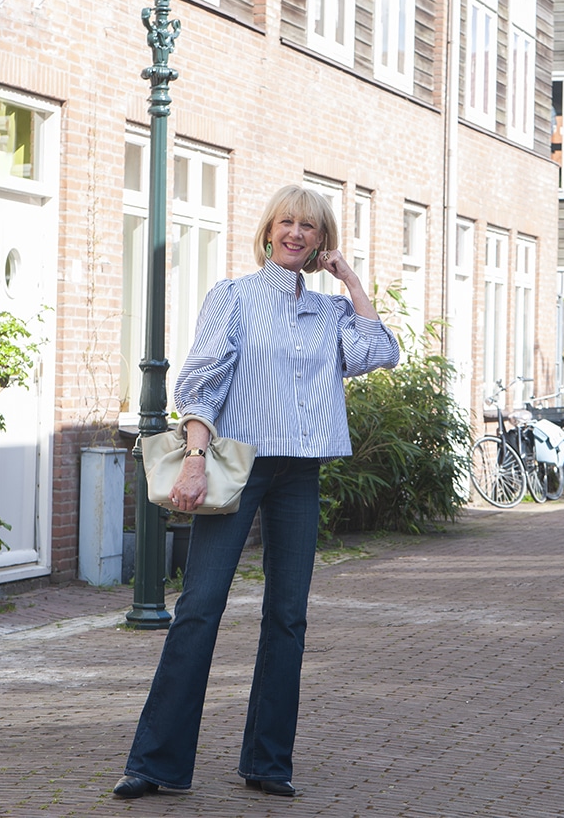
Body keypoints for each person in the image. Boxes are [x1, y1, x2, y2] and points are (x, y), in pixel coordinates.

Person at [113, 184, 399, 800]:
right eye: (287, 223)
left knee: (288, 616)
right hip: (238, 467)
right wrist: (193, 458)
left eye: (310, 227)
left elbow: (378, 353)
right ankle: (156, 763)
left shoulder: (331, 313)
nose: (296, 234)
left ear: (322, 240)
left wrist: (349, 279)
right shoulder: (234, 298)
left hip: (301, 474)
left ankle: (268, 763)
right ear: (269, 231)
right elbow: (201, 381)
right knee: (200, 606)